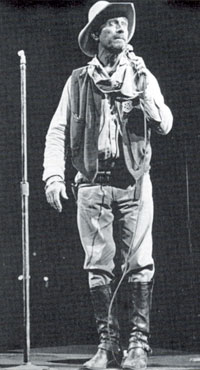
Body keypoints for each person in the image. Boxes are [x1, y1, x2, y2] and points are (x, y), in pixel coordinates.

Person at [43, 1, 173, 369]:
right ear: (96, 34)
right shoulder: (78, 80)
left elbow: (164, 124)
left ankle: (138, 345)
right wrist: (53, 175)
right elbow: (58, 131)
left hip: (133, 182)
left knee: (139, 262)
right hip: (91, 184)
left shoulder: (140, 75)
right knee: (98, 265)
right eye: (111, 24)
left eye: (123, 24)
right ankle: (107, 344)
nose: (120, 29)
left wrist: (144, 88)